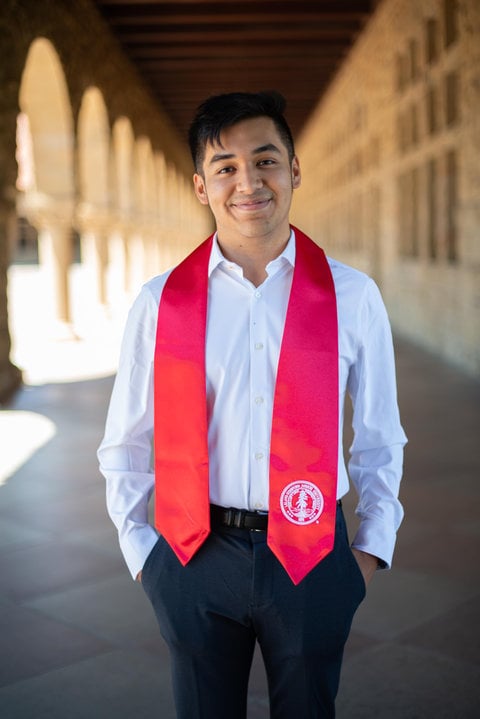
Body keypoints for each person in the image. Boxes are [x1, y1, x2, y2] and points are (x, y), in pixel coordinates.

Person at [98, 91, 407, 718]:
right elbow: (127, 438)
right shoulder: (161, 302)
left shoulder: (352, 294)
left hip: (314, 551)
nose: (248, 182)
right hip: (193, 555)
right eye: (226, 167)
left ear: (294, 170)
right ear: (200, 185)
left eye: (266, 161)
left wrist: (368, 553)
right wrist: (143, 555)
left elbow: (378, 434)